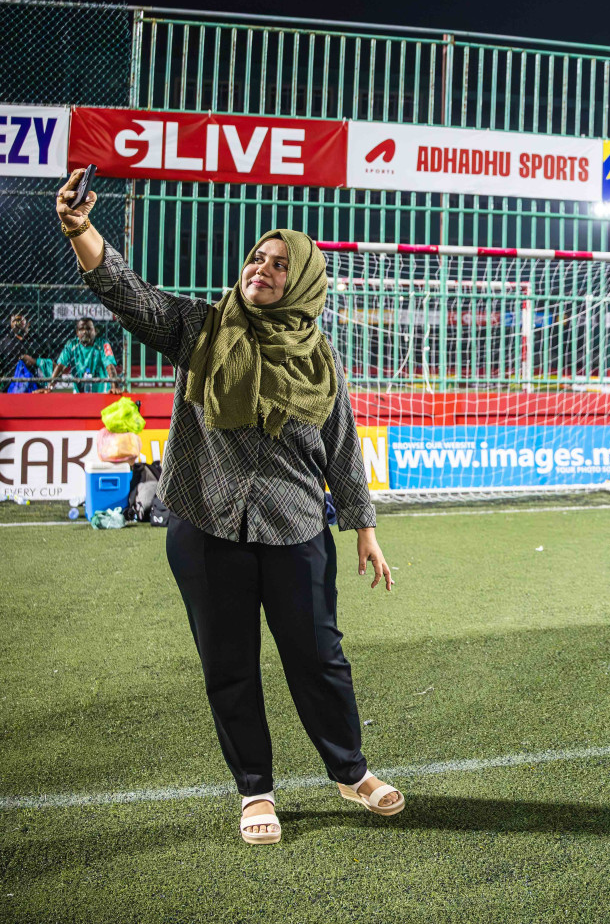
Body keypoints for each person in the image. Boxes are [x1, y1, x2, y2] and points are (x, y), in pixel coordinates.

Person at [56, 168, 401, 845]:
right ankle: (255, 791)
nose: (262, 270)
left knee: (319, 658)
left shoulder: (320, 359)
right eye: (256, 259)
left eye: (278, 265)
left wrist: (364, 528)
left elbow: (340, 448)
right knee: (229, 663)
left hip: (297, 527)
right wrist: (80, 228)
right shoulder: (201, 327)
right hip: (205, 523)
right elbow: (130, 296)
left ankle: (350, 772)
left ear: (302, 281)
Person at [51, 316, 123, 393]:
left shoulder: (102, 344)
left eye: (88, 329)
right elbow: (60, 366)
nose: (85, 332)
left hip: (101, 393)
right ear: (77, 332)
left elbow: (110, 366)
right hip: (79, 393)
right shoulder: (71, 345)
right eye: (81, 329)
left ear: (95, 331)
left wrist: (115, 387)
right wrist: (50, 386)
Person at [0, 311, 38, 390]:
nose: (16, 323)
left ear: (28, 323)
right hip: (10, 385)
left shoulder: (35, 342)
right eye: (14, 321)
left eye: (19, 320)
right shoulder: (5, 342)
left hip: (32, 384)